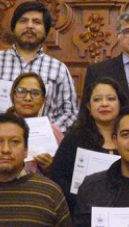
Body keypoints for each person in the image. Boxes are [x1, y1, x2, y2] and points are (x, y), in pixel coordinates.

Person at [0, 1, 79, 131]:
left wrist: (46, 132)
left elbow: (71, 113)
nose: (30, 26)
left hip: (43, 140)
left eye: (37, 22)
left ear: (45, 31)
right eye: (23, 21)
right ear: (14, 27)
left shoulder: (58, 69)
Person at [50, 77, 123, 208]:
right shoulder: (75, 138)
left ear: (120, 104)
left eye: (111, 99)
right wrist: (82, 199)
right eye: (97, 99)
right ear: (89, 106)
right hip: (81, 210)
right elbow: (58, 179)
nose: (104, 104)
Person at [0, 71, 63, 176]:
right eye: (21, 91)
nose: (28, 98)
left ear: (43, 100)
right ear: (12, 96)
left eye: (35, 93)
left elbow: (64, 175)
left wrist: (51, 168)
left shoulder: (55, 132)